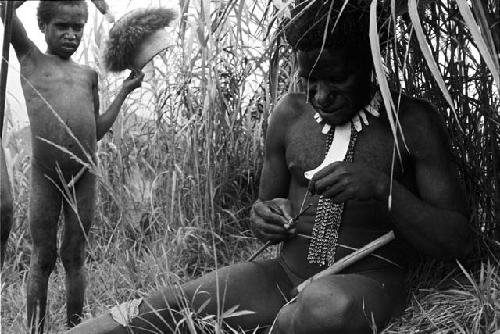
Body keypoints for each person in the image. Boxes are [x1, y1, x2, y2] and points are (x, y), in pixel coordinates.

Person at [69, 2, 471, 334]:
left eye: (336, 79)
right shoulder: (289, 116)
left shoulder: (411, 122)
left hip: (368, 282)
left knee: (324, 308)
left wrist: (384, 189)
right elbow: (263, 209)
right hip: (282, 275)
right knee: (163, 308)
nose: (321, 96)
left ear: (371, 63)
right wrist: (265, 217)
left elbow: (458, 240)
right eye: (309, 81)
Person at [0, 1, 144, 332]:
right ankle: (35, 329)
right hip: (45, 176)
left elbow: (96, 131)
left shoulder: (88, 76)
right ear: (43, 26)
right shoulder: (31, 58)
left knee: (75, 257)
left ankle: (75, 329)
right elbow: (5, 8)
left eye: (77, 27)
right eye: (62, 26)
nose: (71, 34)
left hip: (84, 175)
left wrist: (122, 91)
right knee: (43, 257)